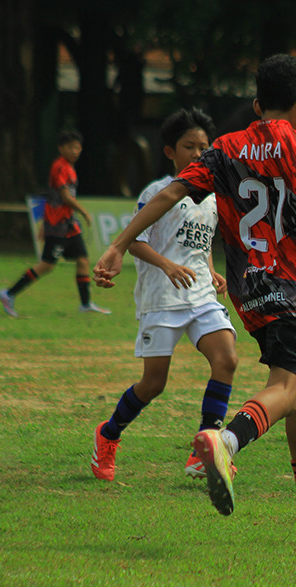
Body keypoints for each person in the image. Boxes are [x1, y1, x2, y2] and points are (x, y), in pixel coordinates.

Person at [93, 54, 296, 538]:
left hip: (250, 291)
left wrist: (118, 244)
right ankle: (226, 440)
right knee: (287, 389)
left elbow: (168, 195)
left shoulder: (226, 148)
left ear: (257, 103)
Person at [91, 108, 239, 483]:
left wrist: (211, 268)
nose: (198, 154)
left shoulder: (211, 197)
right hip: (162, 297)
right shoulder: (157, 192)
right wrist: (167, 266)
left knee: (227, 359)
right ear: (170, 151)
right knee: (154, 383)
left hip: (201, 294)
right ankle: (108, 435)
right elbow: (136, 242)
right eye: (189, 146)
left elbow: (199, 243)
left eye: (204, 148)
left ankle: (203, 450)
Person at [0, 130, 110, 317]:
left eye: (77, 147)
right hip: (57, 224)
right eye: (70, 147)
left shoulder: (69, 167)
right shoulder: (59, 167)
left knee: (82, 259)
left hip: (68, 224)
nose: (74, 151)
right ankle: (8, 294)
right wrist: (83, 211)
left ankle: (85, 304)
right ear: (60, 148)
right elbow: (65, 197)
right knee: (47, 265)